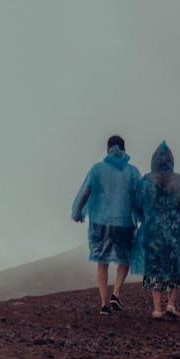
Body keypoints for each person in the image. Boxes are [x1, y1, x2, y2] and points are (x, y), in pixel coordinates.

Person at [72, 135, 141, 315]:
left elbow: (85, 191)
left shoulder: (97, 169)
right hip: (125, 222)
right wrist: (145, 216)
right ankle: (116, 293)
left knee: (102, 261)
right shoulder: (132, 172)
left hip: (100, 223)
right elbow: (140, 197)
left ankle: (104, 305)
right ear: (124, 149)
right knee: (125, 258)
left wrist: (77, 212)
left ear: (107, 149)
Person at [132, 141, 180, 319]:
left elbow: (138, 204)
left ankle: (157, 308)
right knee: (177, 263)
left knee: (154, 265)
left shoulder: (146, 180)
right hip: (175, 227)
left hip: (153, 228)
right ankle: (171, 304)